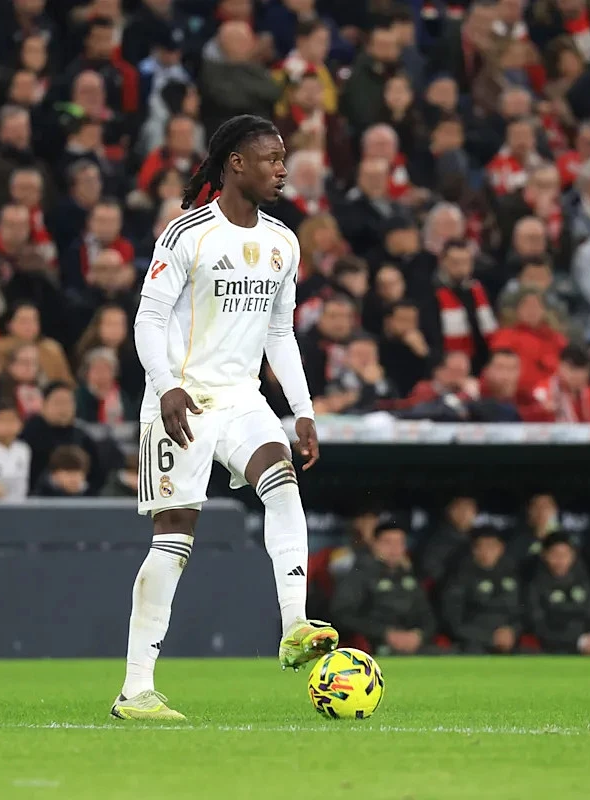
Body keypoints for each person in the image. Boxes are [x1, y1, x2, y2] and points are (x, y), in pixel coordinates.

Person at [114, 115, 333, 721]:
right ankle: (135, 689)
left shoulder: (283, 242)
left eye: (283, 159)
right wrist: (165, 387)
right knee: (174, 538)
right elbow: (148, 321)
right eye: (271, 159)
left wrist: (302, 410)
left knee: (282, 483)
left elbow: (280, 332)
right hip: (182, 400)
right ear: (236, 163)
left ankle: (295, 625)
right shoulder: (187, 233)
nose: (282, 170)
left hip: (241, 398)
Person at [330, 521, 438, 656]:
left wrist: (418, 635)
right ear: (375, 544)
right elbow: (342, 615)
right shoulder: (358, 575)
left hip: (414, 648)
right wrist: (384, 633)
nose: (394, 549)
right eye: (388, 542)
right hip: (371, 648)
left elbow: (428, 617)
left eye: (399, 543)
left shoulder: (411, 576)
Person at [441, 528, 523, 654]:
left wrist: (512, 631)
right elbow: (453, 622)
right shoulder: (459, 578)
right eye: (483, 547)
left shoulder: (512, 574)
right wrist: (489, 638)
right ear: (474, 550)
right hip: (474, 643)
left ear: (501, 549)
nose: (488, 552)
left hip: (510, 641)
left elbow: (523, 613)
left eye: (492, 547)